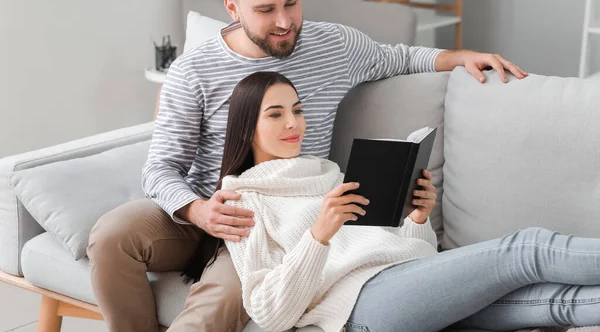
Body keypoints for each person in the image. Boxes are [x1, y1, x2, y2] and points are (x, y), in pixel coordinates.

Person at [86, 0, 528, 332]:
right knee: (110, 236)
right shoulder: (193, 72)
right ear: (232, 8)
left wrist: (465, 56)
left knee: (216, 307)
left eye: (292, 3)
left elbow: (400, 57)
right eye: (265, 10)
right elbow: (160, 168)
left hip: (275, 223)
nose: (284, 22)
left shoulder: (332, 46)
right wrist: (198, 210)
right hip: (206, 208)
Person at [211, 70, 600, 332]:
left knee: (554, 304)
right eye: (275, 115)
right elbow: (268, 312)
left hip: (408, 285)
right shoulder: (244, 201)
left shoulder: (326, 171)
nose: (293, 124)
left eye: (296, 110)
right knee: (525, 250)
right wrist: (318, 236)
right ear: (248, 129)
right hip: (361, 306)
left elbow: (411, 254)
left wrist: (417, 218)